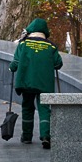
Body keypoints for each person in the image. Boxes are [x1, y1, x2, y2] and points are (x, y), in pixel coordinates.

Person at [8, 17, 63, 149]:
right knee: (44, 109)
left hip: (27, 82)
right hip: (44, 83)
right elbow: (58, 64)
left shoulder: (23, 44)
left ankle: (26, 136)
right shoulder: (51, 46)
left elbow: (15, 63)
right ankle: (45, 136)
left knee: (27, 107)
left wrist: (11, 67)